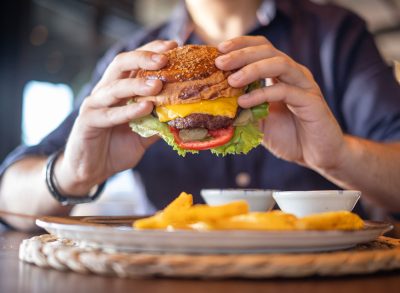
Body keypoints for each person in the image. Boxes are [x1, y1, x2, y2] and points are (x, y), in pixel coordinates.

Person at [1, 0, 400, 230]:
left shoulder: (337, 35)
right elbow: (8, 195)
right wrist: (75, 173)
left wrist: (336, 157)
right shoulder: (135, 62)